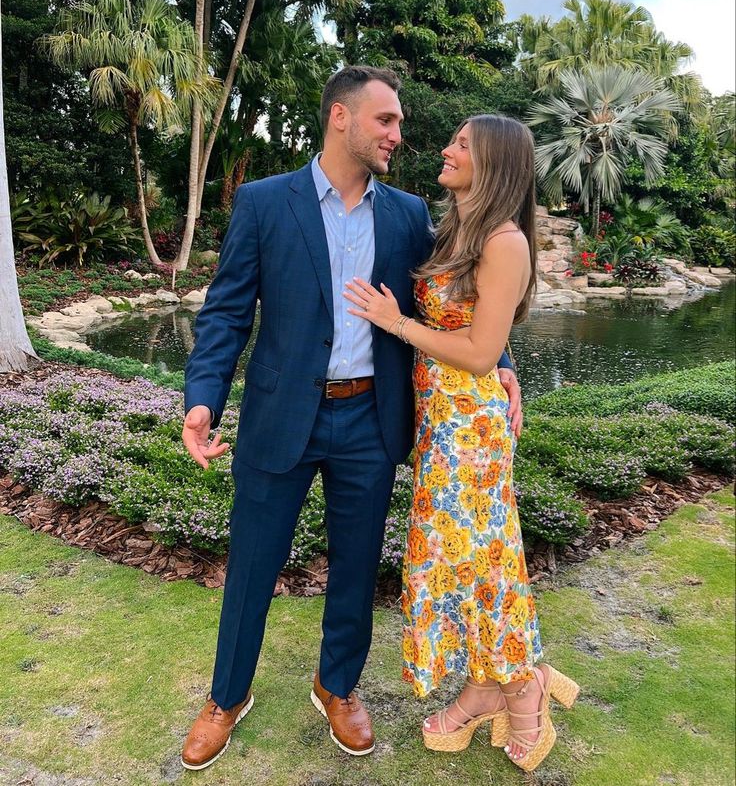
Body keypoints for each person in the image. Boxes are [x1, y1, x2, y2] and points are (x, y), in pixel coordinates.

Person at [178, 67, 522, 771]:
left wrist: (505, 358)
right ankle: (225, 697)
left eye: (397, 123)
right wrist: (202, 398)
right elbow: (225, 313)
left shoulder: (404, 213)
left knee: (356, 568)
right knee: (252, 564)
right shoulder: (264, 202)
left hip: (369, 418)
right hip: (281, 418)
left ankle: (337, 686)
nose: (399, 134)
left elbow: (450, 290)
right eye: (386, 121)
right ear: (341, 118)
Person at [344, 114, 580, 773]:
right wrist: (506, 364)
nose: (445, 150)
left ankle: (522, 687)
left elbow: (478, 351)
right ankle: (484, 685)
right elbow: (484, 338)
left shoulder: (505, 242)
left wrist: (396, 323)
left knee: (486, 561)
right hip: (441, 422)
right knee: (463, 560)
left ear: (495, 163)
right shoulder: (454, 230)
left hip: (471, 428)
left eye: (461, 145)